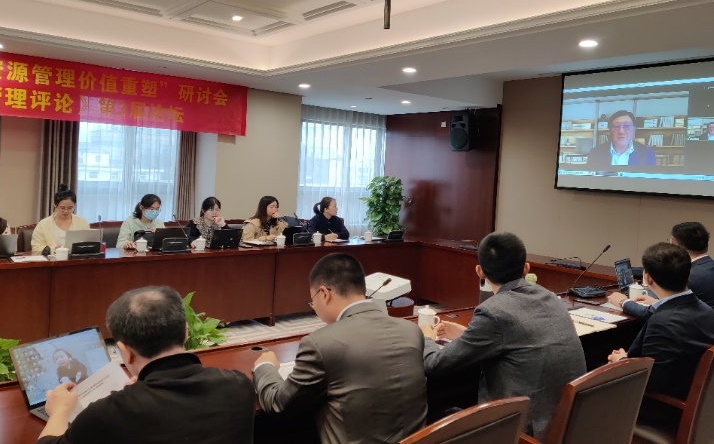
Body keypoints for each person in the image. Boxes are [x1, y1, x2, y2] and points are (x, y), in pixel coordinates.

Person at [420, 232, 586, 441]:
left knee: (436, 415)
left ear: (480, 272)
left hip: (521, 433)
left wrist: (426, 337)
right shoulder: (550, 297)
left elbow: (435, 364)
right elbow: (517, 336)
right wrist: (465, 333)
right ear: (526, 268)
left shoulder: (493, 312)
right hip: (565, 425)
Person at [37, 286, 255, 444]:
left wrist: (59, 410)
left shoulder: (106, 414)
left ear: (125, 351)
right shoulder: (239, 385)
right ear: (186, 332)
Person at [253, 253, 427, 444]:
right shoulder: (411, 330)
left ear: (324, 294)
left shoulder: (320, 343)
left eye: (312, 301)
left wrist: (265, 367)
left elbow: (280, 405)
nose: (314, 307)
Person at [607, 243, 714, 420]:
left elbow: (652, 384)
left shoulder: (663, 323)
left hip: (665, 409)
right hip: (699, 402)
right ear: (688, 274)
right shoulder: (707, 310)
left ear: (648, 278)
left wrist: (621, 361)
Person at [608, 222, 714, 334]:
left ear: (675, 246)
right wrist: (656, 302)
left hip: (706, 340)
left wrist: (623, 302)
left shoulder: (690, 275)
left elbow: (658, 315)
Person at [30, 185, 91, 255]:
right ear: (55, 205)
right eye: (62, 208)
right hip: (52, 260)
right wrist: (53, 249)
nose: (66, 211)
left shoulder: (82, 222)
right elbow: (36, 249)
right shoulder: (43, 224)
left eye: (70, 208)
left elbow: (89, 244)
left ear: (74, 205)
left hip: (76, 259)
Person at [587, 110, 656, 168]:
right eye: (616, 126)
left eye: (627, 126)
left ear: (634, 129)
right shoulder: (595, 153)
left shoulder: (647, 154)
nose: (621, 131)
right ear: (610, 129)